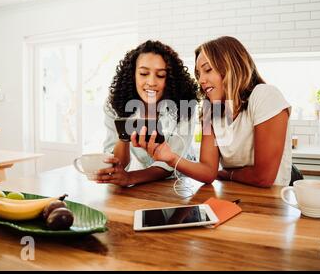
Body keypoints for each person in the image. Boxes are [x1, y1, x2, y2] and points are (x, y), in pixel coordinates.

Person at [131, 36, 292, 187]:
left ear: (231, 66)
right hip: (234, 196)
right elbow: (208, 172)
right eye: (198, 74)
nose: (201, 80)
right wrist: (171, 158)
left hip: (272, 202)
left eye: (207, 70)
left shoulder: (264, 96)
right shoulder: (211, 110)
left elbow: (263, 177)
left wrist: (227, 174)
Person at [93, 40, 199, 186]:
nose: (151, 82)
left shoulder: (184, 104)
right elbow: (117, 163)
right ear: (133, 75)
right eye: (143, 73)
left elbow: (170, 163)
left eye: (160, 75)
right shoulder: (115, 104)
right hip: (147, 183)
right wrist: (124, 134)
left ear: (169, 79)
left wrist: (130, 178)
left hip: (183, 182)